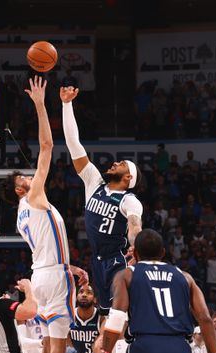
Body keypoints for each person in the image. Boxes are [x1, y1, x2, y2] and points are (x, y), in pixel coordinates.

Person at [3, 76, 88, 353]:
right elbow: (47, 145)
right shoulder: (34, 195)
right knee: (58, 348)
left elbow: (46, 250)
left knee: (54, 352)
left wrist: (66, 267)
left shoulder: (20, 216)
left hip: (43, 275)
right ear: (21, 188)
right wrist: (40, 104)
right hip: (53, 279)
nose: (30, 176)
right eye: (25, 177)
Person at [60, 84, 143, 315]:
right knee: (106, 313)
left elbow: (135, 224)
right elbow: (74, 145)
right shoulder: (94, 182)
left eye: (122, 164)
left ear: (128, 177)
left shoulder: (129, 199)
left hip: (118, 260)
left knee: (122, 312)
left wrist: (136, 244)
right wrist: (67, 105)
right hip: (97, 260)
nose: (115, 163)